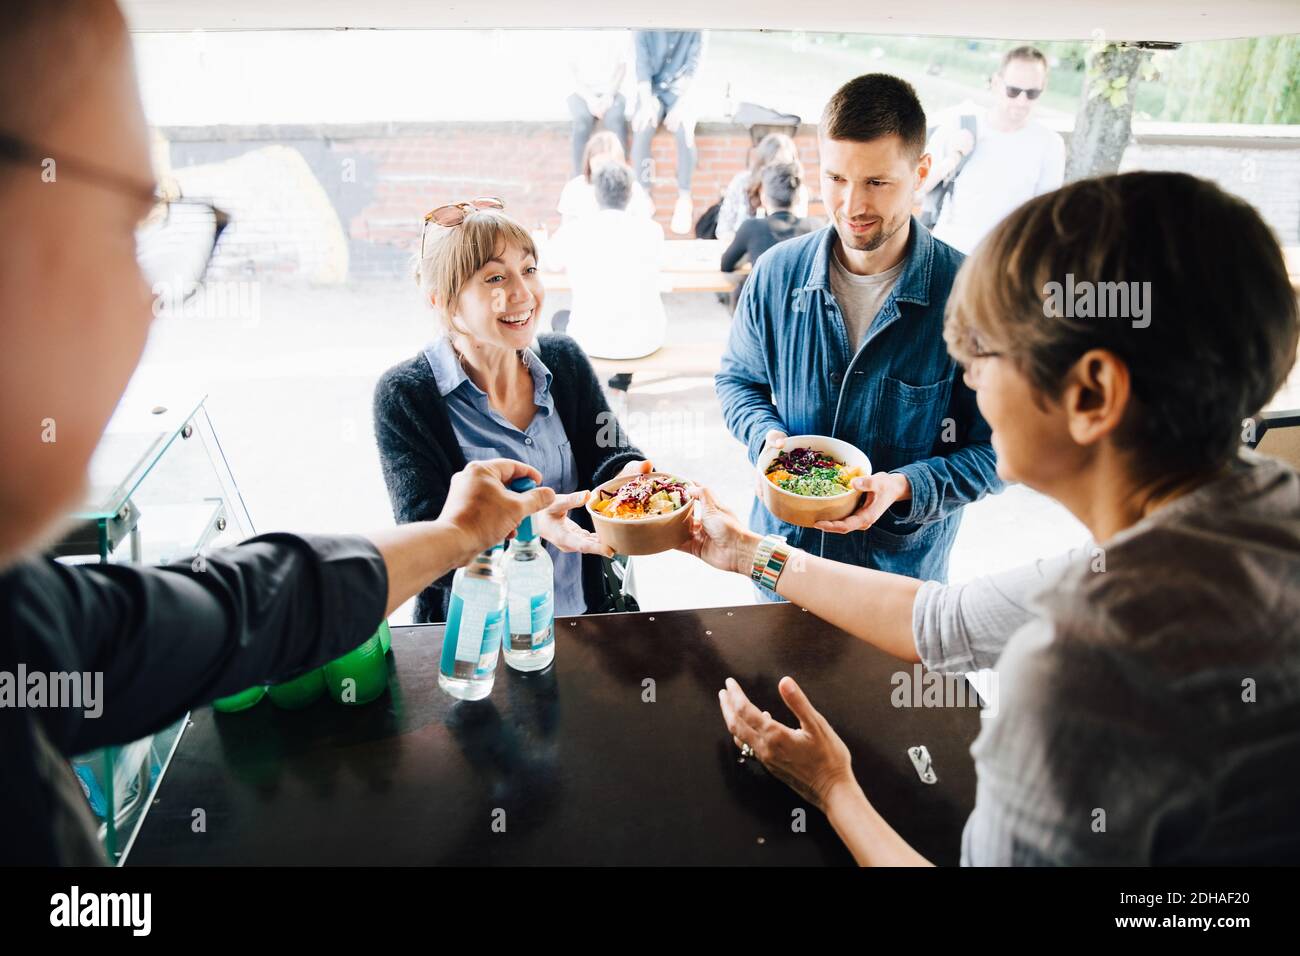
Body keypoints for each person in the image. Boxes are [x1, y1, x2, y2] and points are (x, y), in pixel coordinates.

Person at [0, 1, 558, 865]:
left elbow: (238, 611)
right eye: (124, 227)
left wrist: (457, 532)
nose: (143, 306)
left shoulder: (26, 620)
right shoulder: (406, 392)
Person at [684, 171, 1300, 865]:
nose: (966, 376)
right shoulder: (1256, 514)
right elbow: (944, 623)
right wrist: (745, 552)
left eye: (984, 352)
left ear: (1092, 392)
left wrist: (832, 786)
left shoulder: (1076, 679)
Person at [715, 74, 1003, 594]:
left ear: (921, 173)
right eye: (836, 179)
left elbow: (1000, 449)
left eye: (877, 182)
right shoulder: (775, 275)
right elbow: (738, 382)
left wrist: (907, 486)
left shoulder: (973, 296)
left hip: (898, 581)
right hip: (783, 562)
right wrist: (767, 437)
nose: (852, 206)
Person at [374, 200, 655, 624]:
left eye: (528, 269)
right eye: (495, 277)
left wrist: (627, 477)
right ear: (444, 302)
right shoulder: (405, 397)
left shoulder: (564, 359)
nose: (523, 295)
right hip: (480, 639)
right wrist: (525, 526)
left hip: (583, 614)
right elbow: (426, 547)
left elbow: (607, 450)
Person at [924, 46, 1065, 254]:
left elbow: (1046, 217)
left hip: (1002, 262)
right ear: (997, 83)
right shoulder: (959, 125)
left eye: (1032, 93)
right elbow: (918, 188)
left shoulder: (1050, 144)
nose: (1022, 101)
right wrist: (952, 159)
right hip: (947, 253)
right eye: (1013, 91)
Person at [546, 162, 667, 360]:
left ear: (595, 194)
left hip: (590, 340)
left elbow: (551, 262)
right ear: (630, 194)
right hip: (647, 339)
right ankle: (621, 384)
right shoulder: (652, 231)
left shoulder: (575, 231)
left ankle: (580, 387)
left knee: (559, 319)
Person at [629, 30, 704, 235]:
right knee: (643, 127)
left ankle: (684, 196)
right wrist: (646, 104)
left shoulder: (695, 28)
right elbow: (642, 67)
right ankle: (643, 192)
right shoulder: (644, 27)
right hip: (651, 91)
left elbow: (694, 68)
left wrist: (681, 107)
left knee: (685, 131)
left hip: (682, 92)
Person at [720, 162, 816, 308]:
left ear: (764, 198)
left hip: (764, 316)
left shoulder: (751, 228)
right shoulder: (816, 227)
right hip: (805, 313)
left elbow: (726, 265)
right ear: (797, 197)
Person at [715, 132, 809, 246]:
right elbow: (723, 229)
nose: (780, 170)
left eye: (785, 164)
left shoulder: (798, 190)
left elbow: (797, 236)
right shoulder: (742, 183)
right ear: (762, 163)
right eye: (775, 164)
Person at [564, 29, 633, 178]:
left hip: (612, 91)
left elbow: (622, 67)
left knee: (615, 121)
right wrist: (591, 100)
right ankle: (580, 176)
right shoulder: (574, 32)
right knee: (581, 121)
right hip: (581, 92)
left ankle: (621, 174)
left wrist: (609, 96)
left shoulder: (618, 32)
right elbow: (572, 72)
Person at [556, 130, 654, 226]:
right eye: (598, 164)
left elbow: (644, 225)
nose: (604, 170)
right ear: (589, 163)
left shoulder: (634, 189)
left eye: (609, 163)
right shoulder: (575, 188)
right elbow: (567, 228)